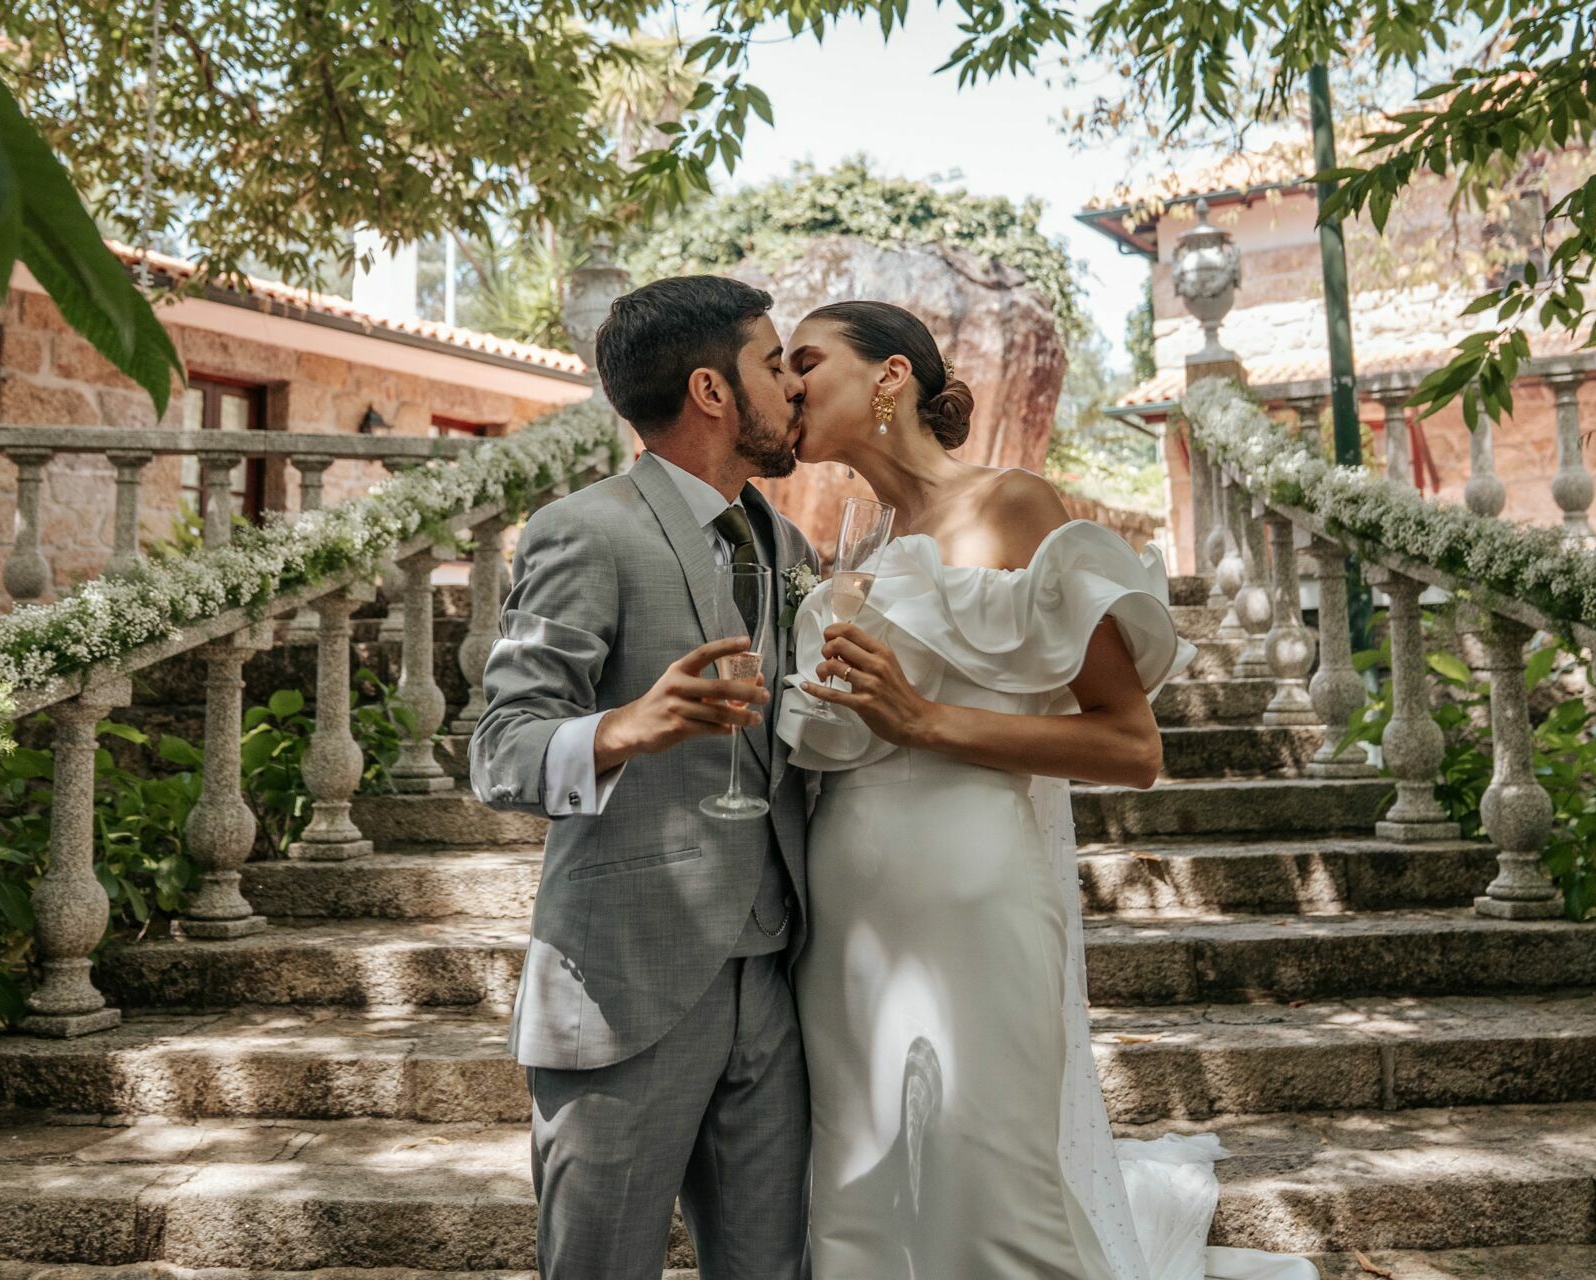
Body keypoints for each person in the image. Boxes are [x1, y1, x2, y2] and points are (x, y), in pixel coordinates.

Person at [778, 300, 1320, 1280]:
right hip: (848, 919)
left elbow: (1130, 743)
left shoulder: (1014, 505)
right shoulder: (858, 552)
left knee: (995, 1182)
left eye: (805, 359)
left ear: (891, 375)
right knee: (862, 1185)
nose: (786, 381)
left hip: (977, 898)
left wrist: (925, 720)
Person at [470, 275, 820, 1280]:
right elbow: (500, 749)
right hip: (624, 981)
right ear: (712, 390)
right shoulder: (583, 529)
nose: (793, 384)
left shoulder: (788, 543)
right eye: (772, 364)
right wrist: (624, 727)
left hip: (775, 975)